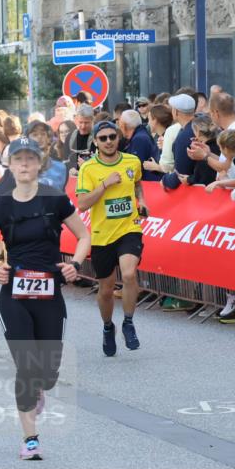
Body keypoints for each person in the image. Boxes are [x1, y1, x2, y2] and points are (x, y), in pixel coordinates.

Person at [0, 138, 91, 460]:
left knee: (48, 375)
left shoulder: (55, 200)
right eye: (18, 160)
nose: (24, 165)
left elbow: (83, 236)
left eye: (30, 159)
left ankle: (41, 385)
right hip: (13, 294)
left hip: (50, 292)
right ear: (9, 165)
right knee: (25, 365)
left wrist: (75, 265)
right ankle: (30, 440)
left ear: (39, 164)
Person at [76, 120, 146, 355]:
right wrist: (105, 184)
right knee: (105, 289)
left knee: (128, 273)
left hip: (129, 228)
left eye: (112, 137)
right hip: (101, 236)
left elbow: (137, 183)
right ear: (95, 142)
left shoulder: (132, 161)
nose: (108, 141)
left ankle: (128, 322)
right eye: (103, 138)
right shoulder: (88, 169)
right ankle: (108, 327)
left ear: (118, 138)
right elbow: (83, 204)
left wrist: (142, 200)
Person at [118, 109, 160, 180]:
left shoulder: (139, 139)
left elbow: (135, 167)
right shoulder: (142, 134)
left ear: (124, 126)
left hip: (147, 185)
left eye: (120, 124)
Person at [147, 104, 180, 174]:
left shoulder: (170, 137)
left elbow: (173, 166)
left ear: (155, 120)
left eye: (149, 119)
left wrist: (156, 167)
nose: (148, 123)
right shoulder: (157, 137)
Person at [66, 105, 95, 172]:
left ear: (92, 120)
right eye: (80, 122)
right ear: (76, 120)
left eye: (86, 123)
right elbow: (65, 159)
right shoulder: (70, 137)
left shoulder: (99, 136)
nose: (83, 126)